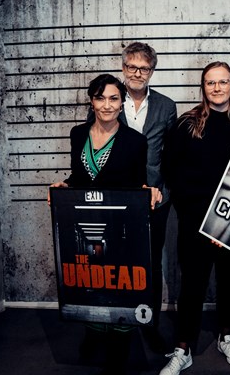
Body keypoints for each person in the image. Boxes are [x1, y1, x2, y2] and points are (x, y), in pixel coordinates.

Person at [49, 74, 161, 375]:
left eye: (113, 98)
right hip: (85, 224)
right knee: (91, 280)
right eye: (100, 98)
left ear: (121, 102)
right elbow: (79, 176)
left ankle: (119, 347)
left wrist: (150, 191)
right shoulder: (77, 134)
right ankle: (94, 332)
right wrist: (65, 186)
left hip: (119, 227)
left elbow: (139, 183)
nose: (107, 105)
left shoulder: (135, 141)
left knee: (119, 284)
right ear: (91, 101)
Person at [159, 62, 230, 375]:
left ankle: (226, 336)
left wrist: (226, 222)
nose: (217, 88)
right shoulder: (187, 123)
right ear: (203, 87)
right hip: (195, 222)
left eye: (223, 82)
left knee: (229, 283)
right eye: (211, 82)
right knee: (192, 286)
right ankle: (183, 349)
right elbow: (172, 172)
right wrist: (203, 220)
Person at [118, 41, 177, 353]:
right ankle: (118, 325)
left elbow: (172, 153)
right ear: (123, 68)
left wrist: (163, 188)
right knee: (119, 263)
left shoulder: (166, 106)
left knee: (151, 265)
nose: (137, 73)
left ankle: (150, 324)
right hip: (119, 198)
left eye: (144, 68)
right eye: (132, 66)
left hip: (156, 199)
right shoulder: (109, 99)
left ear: (152, 71)